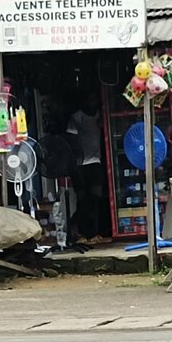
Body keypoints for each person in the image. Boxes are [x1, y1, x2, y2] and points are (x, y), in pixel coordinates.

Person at [67, 92, 107, 243]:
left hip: (95, 162)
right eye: (91, 98)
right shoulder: (77, 118)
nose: (93, 102)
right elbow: (70, 141)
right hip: (80, 165)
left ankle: (95, 232)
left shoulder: (99, 117)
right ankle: (82, 232)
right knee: (83, 199)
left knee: (96, 198)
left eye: (95, 99)